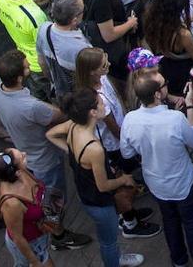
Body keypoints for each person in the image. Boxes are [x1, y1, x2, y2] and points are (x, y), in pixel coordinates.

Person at [0, 50, 92, 252]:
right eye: (27, 66)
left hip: (26, 154)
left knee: (42, 197)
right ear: (20, 77)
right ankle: (59, 235)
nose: (30, 66)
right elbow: (59, 115)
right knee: (52, 202)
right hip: (45, 159)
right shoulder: (31, 107)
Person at [121, 73, 193, 267]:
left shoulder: (130, 119)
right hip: (182, 182)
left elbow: (127, 153)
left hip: (155, 183)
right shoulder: (175, 119)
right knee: (192, 223)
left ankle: (178, 260)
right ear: (158, 94)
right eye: (164, 84)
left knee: (170, 221)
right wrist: (190, 107)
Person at [45, 88, 158, 267]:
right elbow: (104, 186)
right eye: (100, 102)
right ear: (93, 112)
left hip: (86, 193)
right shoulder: (93, 149)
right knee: (109, 241)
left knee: (108, 237)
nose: (104, 104)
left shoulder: (73, 125)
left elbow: (50, 134)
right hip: (98, 202)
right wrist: (124, 180)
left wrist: (72, 151)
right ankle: (114, 262)